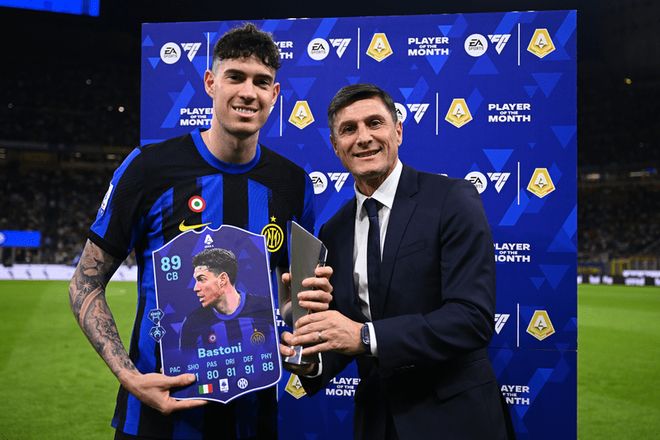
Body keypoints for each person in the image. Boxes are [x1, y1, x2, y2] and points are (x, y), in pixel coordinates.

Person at [69, 23, 331, 440]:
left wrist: (297, 330)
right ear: (211, 83)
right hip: (156, 420)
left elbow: (288, 299)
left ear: (275, 94)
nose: (249, 92)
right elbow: (85, 282)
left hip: (252, 420)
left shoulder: (292, 184)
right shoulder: (149, 168)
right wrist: (129, 376)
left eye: (262, 82)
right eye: (235, 77)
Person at [281, 83, 514, 439]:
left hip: (455, 421)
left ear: (398, 131)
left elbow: (471, 319)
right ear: (336, 146)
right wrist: (310, 358)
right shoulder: (335, 230)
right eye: (348, 129)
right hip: (377, 422)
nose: (363, 138)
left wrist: (365, 336)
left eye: (375, 123)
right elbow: (343, 332)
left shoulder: (451, 199)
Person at [179, 248, 274, 351]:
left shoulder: (266, 308)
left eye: (201, 279)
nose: (195, 288)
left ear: (222, 279)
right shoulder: (192, 323)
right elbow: (186, 360)